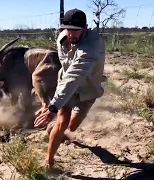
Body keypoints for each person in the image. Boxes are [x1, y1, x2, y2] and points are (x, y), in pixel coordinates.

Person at [34, 8, 106, 167]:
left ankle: (53, 128)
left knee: (71, 127)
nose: (71, 34)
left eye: (76, 31)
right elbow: (67, 74)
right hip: (67, 88)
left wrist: (53, 106)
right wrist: (56, 105)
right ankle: (49, 161)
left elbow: (74, 75)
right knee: (63, 122)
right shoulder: (62, 38)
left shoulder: (91, 47)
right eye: (68, 30)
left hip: (88, 90)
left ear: (85, 29)